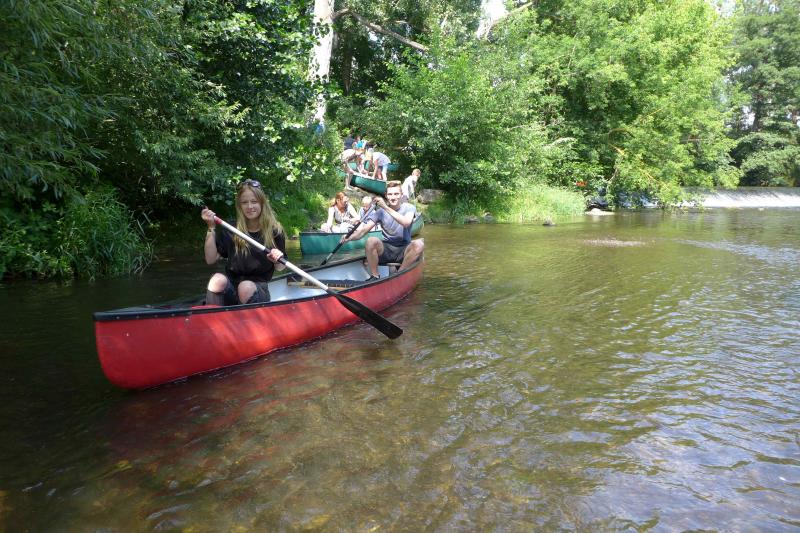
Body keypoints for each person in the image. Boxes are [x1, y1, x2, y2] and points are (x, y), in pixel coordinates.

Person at [201, 179, 286, 306]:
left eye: (254, 202)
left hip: (257, 288)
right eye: (245, 202)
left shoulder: (274, 230)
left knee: (245, 287)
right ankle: (211, 316)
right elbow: (210, 259)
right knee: (217, 279)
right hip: (232, 288)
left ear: (262, 203)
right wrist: (211, 227)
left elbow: (280, 267)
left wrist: (276, 260)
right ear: (240, 206)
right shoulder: (231, 229)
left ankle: (245, 316)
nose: (249, 206)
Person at [341, 180, 424, 281]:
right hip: (386, 249)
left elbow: (406, 222)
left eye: (396, 194)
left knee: (419, 244)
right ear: (386, 195)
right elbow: (362, 231)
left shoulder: (409, 208)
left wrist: (385, 207)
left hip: (404, 249)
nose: (393, 197)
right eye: (390, 194)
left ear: (401, 195)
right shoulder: (380, 212)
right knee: (371, 241)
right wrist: (349, 237)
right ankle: (375, 276)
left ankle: (399, 274)